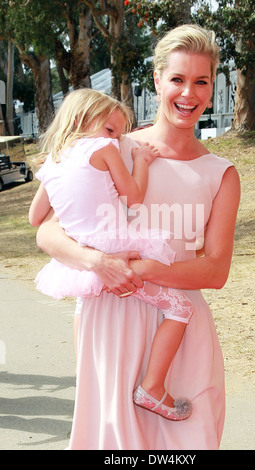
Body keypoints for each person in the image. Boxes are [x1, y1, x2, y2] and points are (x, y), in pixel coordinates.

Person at [35, 24, 240, 450]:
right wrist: (97, 263)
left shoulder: (221, 174)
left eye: (201, 81)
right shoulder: (111, 145)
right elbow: (48, 230)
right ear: (157, 80)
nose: (189, 93)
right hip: (111, 323)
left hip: (181, 329)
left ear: (211, 86)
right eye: (178, 79)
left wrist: (141, 268)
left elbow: (216, 270)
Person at [29, 88, 194, 421]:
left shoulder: (52, 161)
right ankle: (153, 387)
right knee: (180, 307)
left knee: (83, 304)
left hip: (81, 257)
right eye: (110, 130)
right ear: (81, 119)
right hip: (116, 246)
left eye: (118, 134)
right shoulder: (103, 148)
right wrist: (141, 161)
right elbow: (133, 197)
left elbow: (36, 219)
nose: (116, 139)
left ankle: (87, 379)